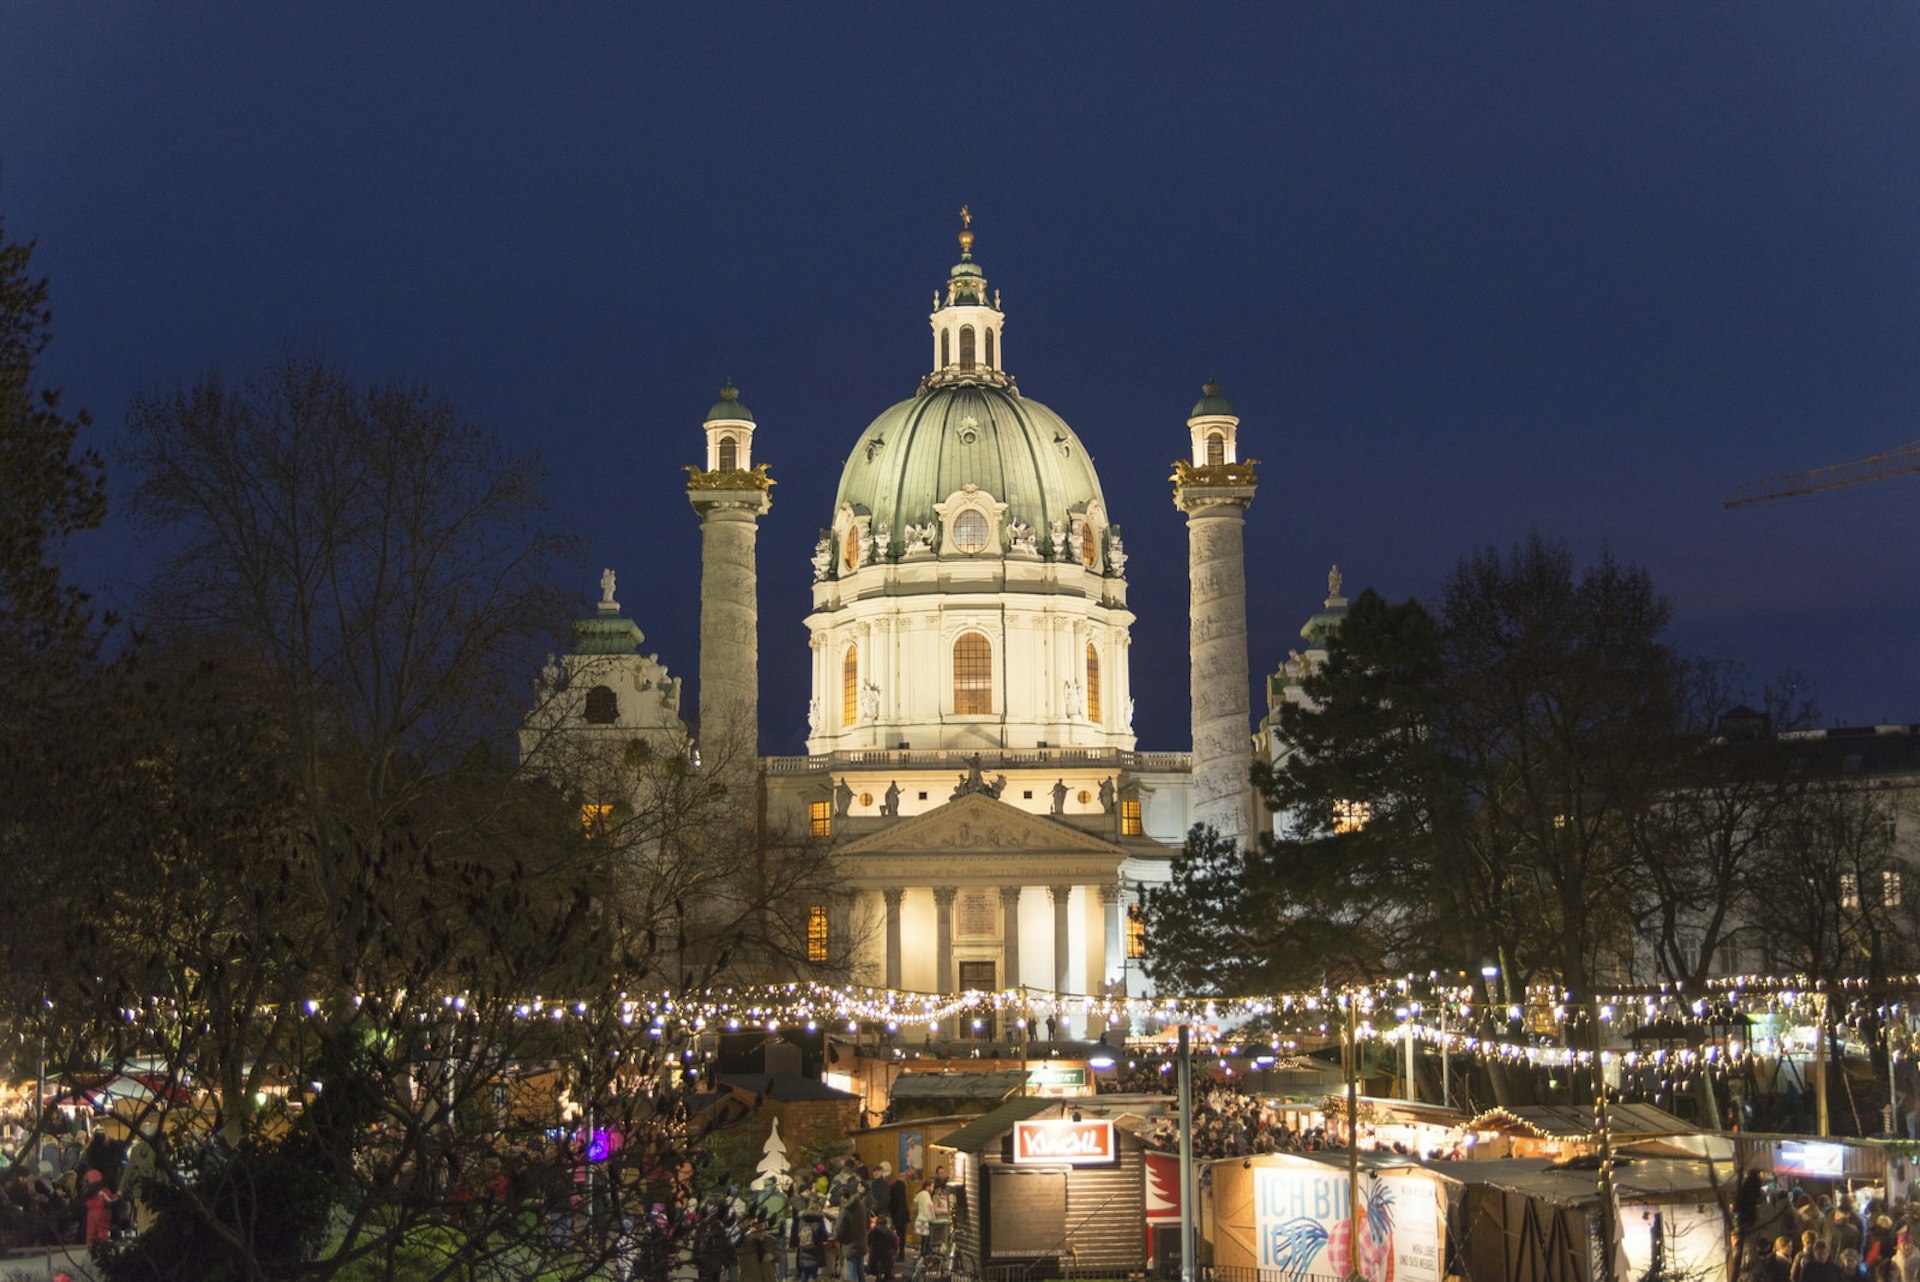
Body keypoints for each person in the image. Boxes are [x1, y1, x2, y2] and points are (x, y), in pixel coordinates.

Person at [836, 1194, 871, 1282]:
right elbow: (868, 1223)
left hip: (849, 1243)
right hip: (861, 1241)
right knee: (860, 1269)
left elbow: (839, 1229)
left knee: (851, 1269)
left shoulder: (846, 1210)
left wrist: (840, 1238)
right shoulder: (861, 1206)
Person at [79, 1169, 118, 1246]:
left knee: (90, 1233)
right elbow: (111, 1199)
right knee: (102, 1233)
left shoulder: (87, 1191)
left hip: (90, 1214)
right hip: (102, 1213)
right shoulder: (104, 1190)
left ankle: (90, 1250)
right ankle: (102, 1249)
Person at [740, 1216, 779, 1282]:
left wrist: (773, 1255)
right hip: (751, 1278)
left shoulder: (770, 1240)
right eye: (756, 1232)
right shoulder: (745, 1244)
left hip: (768, 1278)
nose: (759, 1234)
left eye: (761, 1232)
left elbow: (781, 1254)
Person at [867, 1214, 899, 1282]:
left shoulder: (873, 1231)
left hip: (876, 1258)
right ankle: (887, 1275)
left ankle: (879, 1275)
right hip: (888, 1259)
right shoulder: (890, 1232)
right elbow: (894, 1245)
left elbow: (868, 1242)